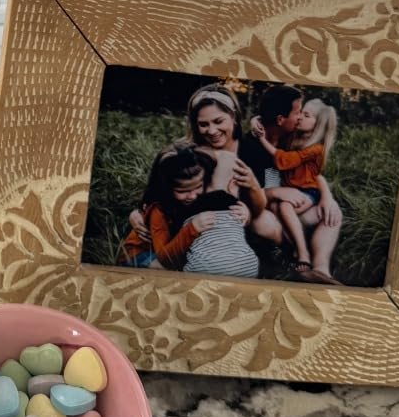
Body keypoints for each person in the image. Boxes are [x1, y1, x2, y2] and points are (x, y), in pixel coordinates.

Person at [121, 142, 258, 276]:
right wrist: (192, 228)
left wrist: (245, 212)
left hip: (177, 248)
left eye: (198, 186)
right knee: (166, 271)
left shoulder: (200, 190)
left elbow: (224, 210)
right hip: (143, 254)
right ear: (167, 188)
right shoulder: (159, 210)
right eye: (183, 191)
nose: (192, 196)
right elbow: (165, 257)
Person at [184, 85, 285, 257]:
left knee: (266, 223)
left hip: (247, 215)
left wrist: (253, 186)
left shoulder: (254, 149)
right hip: (203, 221)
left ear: (234, 117)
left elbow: (263, 202)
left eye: (218, 121)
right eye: (203, 124)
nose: (212, 131)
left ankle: (275, 257)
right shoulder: (190, 154)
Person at [250, 98, 342, 284]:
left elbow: (295, 166)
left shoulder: (314, 147)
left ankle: (319, 268)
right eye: (299, 112)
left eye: (305, 114)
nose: (299, 117)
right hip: (274, 205)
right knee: (280, 206)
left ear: (318, 124)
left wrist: (327, 196)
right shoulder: (291, 137)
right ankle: (299, 252)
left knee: (330, 212)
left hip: (306, 194)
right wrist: (256, 120)